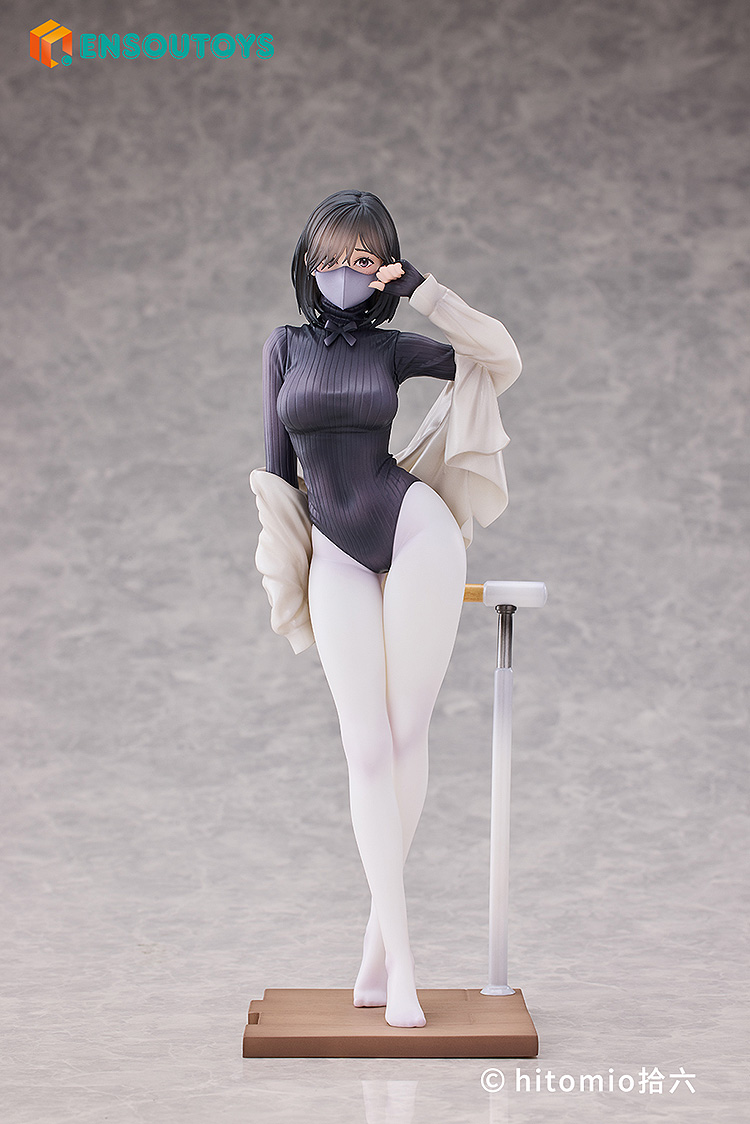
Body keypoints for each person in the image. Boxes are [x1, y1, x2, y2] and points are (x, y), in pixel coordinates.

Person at [252, 189, 522, 1027]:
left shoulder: (393, 347)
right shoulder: (284, 347)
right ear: (308, 266)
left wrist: (424, 290)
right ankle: (388, 954)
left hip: (413, 528)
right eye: (330, 259)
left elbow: (499, 357)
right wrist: (281, 558)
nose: (344, 272)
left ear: (383, 268)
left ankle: (392, 963)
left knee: (407, 735)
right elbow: (275, 470)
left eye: (362, 259)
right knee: (365, 748)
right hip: (334, 544)